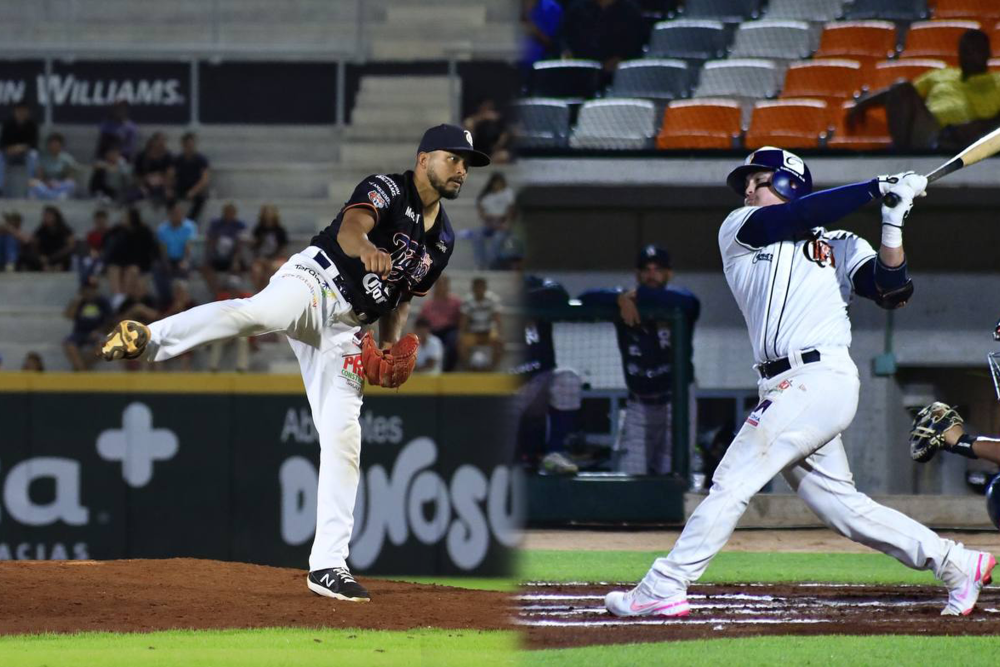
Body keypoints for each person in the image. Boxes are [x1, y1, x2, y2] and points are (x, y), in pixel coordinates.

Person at [99, 124, 491, 601]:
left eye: (467, 163)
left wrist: (387, 350)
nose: (462, 169)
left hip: (349, 328)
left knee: (345, 436)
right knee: (262, 312)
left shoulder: (443, 240)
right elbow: (351, 229)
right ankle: (150, 339)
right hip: (314, 279)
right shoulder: (388, 188)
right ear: (424, 156)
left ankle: (328, 565)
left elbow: (401, 298)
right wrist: (367, 248)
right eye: (454, 158)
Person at [605, 147, 996, 619]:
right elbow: (797, 216)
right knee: (843, 509)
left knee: (732, 479)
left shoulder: (840, 241)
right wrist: (875, 187)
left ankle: (665, 584)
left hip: (818, 378)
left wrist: (892, 219)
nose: (747, 189)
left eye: (758, 179)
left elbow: (893, 289)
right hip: (782, 385)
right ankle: (957, 563)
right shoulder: (741, 228)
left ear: (790, 181)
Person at [579, 245, 700, 475]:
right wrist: (618, 298)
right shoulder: (623, 300)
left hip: (676, 401)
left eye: (658, 269)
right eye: (646, 269)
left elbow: (690, 302)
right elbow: (585, 298)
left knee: (674, 474)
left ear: (669, 274)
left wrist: (631, 296)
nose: (651, 274)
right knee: (631, 474)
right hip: (639, 404)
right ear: (637, 273)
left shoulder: (677, 300)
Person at [847, 29, 1000, 151]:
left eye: (975, 50)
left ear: (988, 53)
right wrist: (863, 104)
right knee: (901, 86)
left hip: (980, 138)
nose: (968, 54)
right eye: (964, 49)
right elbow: (900, 93)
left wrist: (980, 126)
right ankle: (904, 160)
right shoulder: (941, 74)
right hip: (931, 133)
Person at [514, 275, 581, 475]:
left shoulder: (532, 283)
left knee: (567, 378)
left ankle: (555, 452)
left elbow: (559, 293)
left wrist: (519, 299)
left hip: (538, 381)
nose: (513, 270)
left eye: (516, 264)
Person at [561, 0, 646, 74]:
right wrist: (565, 51)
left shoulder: (630, 10)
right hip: (580, 69)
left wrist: (622, 59)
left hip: (620, 73)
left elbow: (638, 44)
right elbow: (562, 36)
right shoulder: (577, 7)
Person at [103, 208, 159, 310]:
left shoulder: (144, 231)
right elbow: (109, 241)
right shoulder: (119, 231)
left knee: (132, 270)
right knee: (113, 269)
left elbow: (150, 250)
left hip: (140, 263)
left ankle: (125, 296)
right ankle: (118, 296)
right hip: (122, 261)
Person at [63, 275, 112, 372]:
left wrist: (99, 331)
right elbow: (69, 315)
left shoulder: (103, 302)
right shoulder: (79, 302)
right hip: (80, 333)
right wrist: (77, 301)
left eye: (93, 289)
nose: (91, 292)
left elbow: (110, 321)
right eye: (88, 289)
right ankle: (83, 371)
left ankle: (80, 369)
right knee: (69, 345)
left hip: (98, 333)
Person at [154, 201, 198, 305]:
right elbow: (163, 249)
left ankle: (185, 302)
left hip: (184, 257)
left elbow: (189, 246)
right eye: (174, 213)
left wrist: (185, 261)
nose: (176, 216)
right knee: (158, 270)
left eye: (178, 213)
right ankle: (165, 301)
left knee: (183, 269)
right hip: (169, 258)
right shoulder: (162, 229)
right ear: (169, 214)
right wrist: (166, 263)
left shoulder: (189, 226)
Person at [418, 274, 463, 372]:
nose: (441, 287)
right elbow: (421, 321)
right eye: (439, 285)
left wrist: (460, 332)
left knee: (453, 341)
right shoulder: (428, 304)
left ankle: (449, 370)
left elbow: (461, 319)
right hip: (432, 331)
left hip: (449, 330)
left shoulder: (456, 302)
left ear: (448, 286)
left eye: (443, 285)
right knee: (428, 341)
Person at [459, 276, 505, 371]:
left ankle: (491, 368)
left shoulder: (493, 299)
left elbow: (497, 319)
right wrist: (461, 334)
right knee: (461, 344)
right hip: (473, 333)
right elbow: (464, 320)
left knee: (499, 343)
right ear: (473, 289)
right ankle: (469, 369)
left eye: (481, 287)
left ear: (485, 288)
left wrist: (500, 334)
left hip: (488, 332)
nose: (479, 290)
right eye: (477, 288)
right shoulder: (468, 301)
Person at [473, 173, 516, 270]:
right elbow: (481, 211)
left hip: (502, 222)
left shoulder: (508, 193)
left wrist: (506, 223)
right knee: (477, 234)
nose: (497, 185)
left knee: (497, 238)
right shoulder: (486, 195)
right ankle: (480, 263)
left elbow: (511, 209)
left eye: (499, 183)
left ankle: (491, 263)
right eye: (495, 183)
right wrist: (488, 220)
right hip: (490, 222)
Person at [202, 202, 248, 294]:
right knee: (205, 268)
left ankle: (234, 293)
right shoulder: (216, 224)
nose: (229, 215)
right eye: (227, 212)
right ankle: (217, 293)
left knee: (237, 270)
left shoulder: (239, 225)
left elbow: (240, 243)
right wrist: (209, 256)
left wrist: (236, 260)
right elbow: (210, 240)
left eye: (231, 212)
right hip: (218, 255)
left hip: (233, 256)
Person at [0, 102, 39, 197]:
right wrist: (10, 148)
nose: (21, 113)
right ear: (15, 111)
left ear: (27, 112)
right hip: (9, 153)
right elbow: (3, 142)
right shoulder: (8, 123)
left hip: (25, 153)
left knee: (34, 155)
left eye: (24, 111)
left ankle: (31, 188)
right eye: (19, 110)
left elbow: (34, 143)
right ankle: (0, 188)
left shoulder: (32, 124)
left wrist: (22, 147)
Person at [28, 132, 79, 201]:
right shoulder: (43, 158)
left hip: (60, 185)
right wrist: (47, 183)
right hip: (46, 185)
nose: (54, 146)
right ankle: (55, 197)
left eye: (56, 144)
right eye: (52, 144)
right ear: (48, 145)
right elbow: (40, 177)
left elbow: (70, 176)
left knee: (71, 184)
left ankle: (53, 196)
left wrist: (58, 183)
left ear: (61, 145)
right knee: (34, 183)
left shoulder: (67, 158)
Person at [250, 203, 289, 291]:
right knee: (257, 271)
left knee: (275, 269)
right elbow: (255, 247)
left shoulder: (280, 230)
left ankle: (272, 293)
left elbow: (283, 249)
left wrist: (273, 259)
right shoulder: (258, 230)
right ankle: (259, 293)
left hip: (276, 258)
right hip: (261, 258)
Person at [173, 132, 210, 222]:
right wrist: (169, 188)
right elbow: (171, 176)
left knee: (201, 199)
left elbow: (205, 179)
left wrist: (194, 191)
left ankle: (190, 222)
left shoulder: (201, 159)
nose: (189, 146)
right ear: (183, 144)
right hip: (181, 187)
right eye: (187, 144)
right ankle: (174, 219)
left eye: (191, 144)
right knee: (169, 198)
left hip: (195, 188)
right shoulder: (178, 159)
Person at [28, 205, 76, 272]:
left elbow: (71, 246)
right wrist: (40, 256)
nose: (46, 218)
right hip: (44, 257)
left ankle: (58, 267)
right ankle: (46, 267)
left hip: (59, 256)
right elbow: (33, 243)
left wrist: (53, 257)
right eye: (45, 216)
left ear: (55, 217)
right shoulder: (41, 230)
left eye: (48, 216)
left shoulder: (65, 229)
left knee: (67, 257)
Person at [133, 132, 174, 208]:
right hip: (146, 184)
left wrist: (167, 188)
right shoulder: (142, 156)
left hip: (162, 185)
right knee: (133, 197)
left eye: (164, 141)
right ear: (153, 142)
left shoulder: (168, 156)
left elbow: (170, 174)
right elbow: (137, 175)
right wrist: (142, 187)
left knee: (170, 197)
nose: (162, 144)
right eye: (160, 141)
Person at [521, 0, 564, 71]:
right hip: (513, 66)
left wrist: (534, 30)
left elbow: (555, 42)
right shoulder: (512, 6)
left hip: (543, 67)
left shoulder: (551, 7)